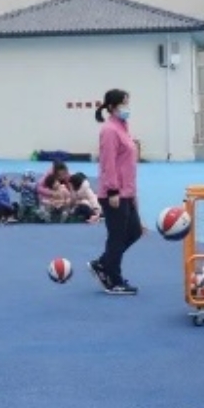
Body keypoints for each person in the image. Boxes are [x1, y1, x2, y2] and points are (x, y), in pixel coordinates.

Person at [88, 88, 146, 295]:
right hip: (114, 193)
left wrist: (133, 194)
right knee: (117, 236)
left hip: (127, 192)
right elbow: (108, 163)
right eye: (123, 104)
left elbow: (127, 164)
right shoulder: (109, 130)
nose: (127, 108)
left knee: (135, 231)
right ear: (112, 107)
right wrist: (112, 191)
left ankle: (103, 264)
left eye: (127, 103)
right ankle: (113, 279)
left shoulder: (123, 127)